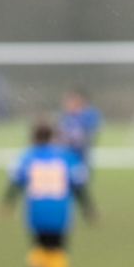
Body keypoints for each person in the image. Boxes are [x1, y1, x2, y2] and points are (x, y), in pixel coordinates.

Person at [1, 121, 87, 267]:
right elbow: (79, 185)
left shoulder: (27, 156)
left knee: (39, 244)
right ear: (53, 136)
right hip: (59, 210)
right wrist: (88, 208)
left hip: (36, 210)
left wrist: (6, 204)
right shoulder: (67, 157)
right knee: (58, 248)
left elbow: (15, 182)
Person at [57, 89, 101, 222]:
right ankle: (88, 211)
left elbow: (88, 136)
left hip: (79, 158)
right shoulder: (64, 117)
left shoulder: (87, 116)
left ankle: (89, 211)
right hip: (65, 157)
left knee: (78, 186)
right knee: (68, 186)